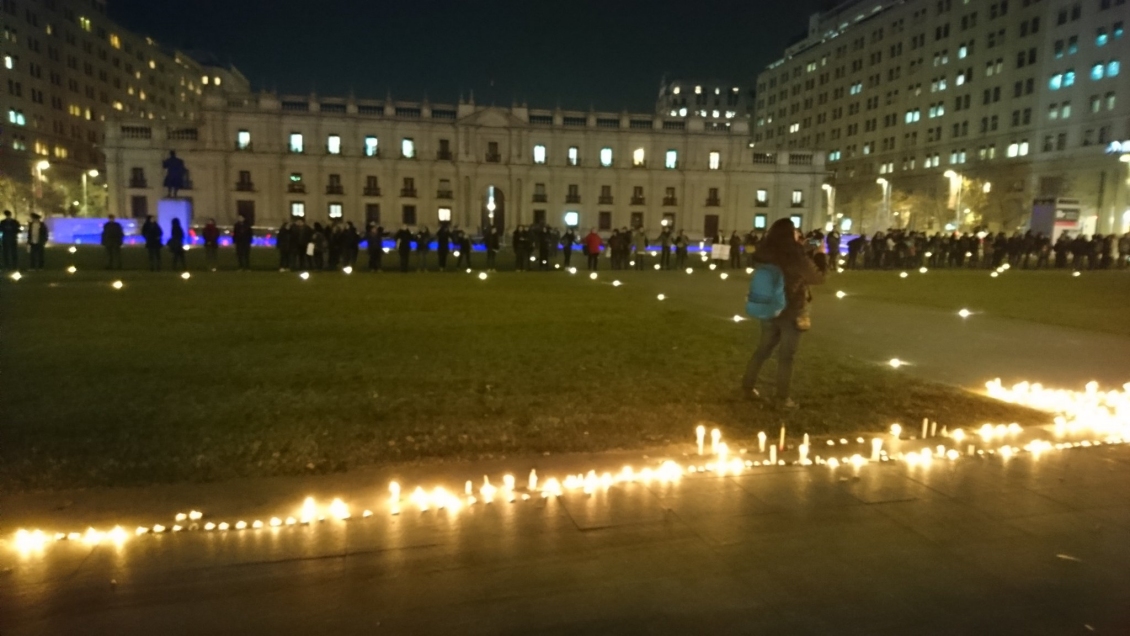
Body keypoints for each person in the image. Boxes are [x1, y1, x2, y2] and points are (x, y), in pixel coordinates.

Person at [741, 218, 827, 409]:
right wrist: (821, 255)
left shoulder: (766, 252)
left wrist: (813, 242)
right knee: (786, 356)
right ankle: (782, 398)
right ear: (790, 235)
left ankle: (747, 387)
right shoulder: (795, 256)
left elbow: (801, 247)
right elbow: (818, 278)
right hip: (792, 310)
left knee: (762, 350)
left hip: (770, 307)